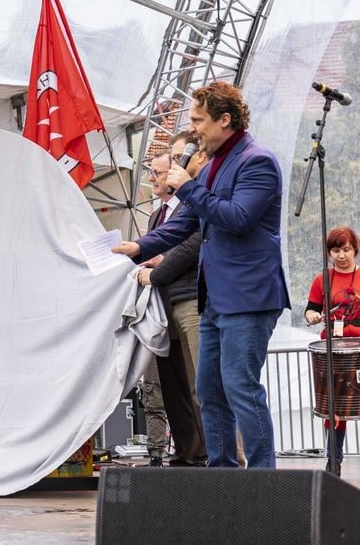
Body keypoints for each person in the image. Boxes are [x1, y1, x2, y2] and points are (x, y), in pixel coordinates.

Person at [113, 81, 290, 468]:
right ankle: (222, 473)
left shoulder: (256, 161)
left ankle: (264, 478)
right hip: (214, 298)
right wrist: (140, 247)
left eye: (198, 120)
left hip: (249, 297)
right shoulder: (213, 166)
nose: (193, 128)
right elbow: (185, 223)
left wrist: (190, 187)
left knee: (241, 387)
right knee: (208, 391)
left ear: (224, 120)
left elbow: (238, 219)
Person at [135, 135, 208, 466]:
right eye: (151, 172)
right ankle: (185, 452)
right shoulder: (156, 215)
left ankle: (212, 455)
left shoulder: (190, 206)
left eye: (158, 172)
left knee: (199, 384)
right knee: (172, 385)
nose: (153, 178)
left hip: (190, 298)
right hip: (163, 307)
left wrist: (157, 267)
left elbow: (190, 247)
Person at [303, 226, 360, 480]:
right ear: (329, 253)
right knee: (334, 407)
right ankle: (334, 462)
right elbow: (310, 309)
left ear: (355, 249)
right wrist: (312, 315)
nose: (341, 255)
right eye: (335, 250)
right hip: (334, 348)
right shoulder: (322, 278)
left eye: (346, 249)